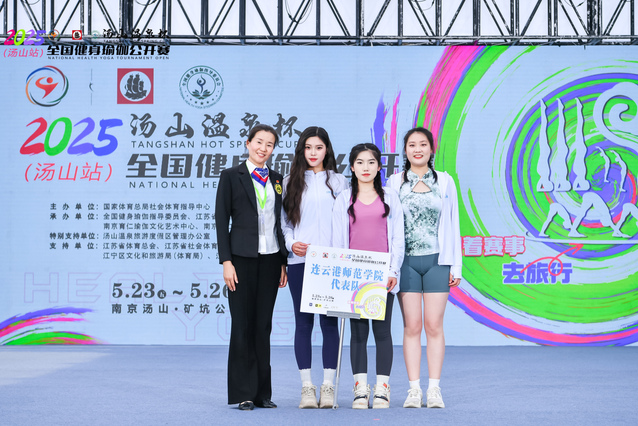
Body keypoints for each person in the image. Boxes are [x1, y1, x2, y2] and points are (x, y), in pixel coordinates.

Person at [386, 127, 462, 409]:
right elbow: (389, 226)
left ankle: (434, 389)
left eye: (422, 144)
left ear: (432, 148)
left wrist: (456, 265)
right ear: (405, 150)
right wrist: (390, 267)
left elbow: (453, 222)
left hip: (437, 262)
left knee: (433, 325)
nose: (417, 149)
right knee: (412, 326)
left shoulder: (445, 181)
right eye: (411, 145)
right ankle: (414, 389)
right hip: (405, 262)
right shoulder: (395, 182)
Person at [215, 124, 289, 411]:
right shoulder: (231, 176)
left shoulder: (277, 179)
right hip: (241, 260)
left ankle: (261, 393)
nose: (263, 148)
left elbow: (279, 222)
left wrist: (282, 261)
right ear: (248, 143)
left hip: (271, 259)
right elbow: (222, 220)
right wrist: (226, 261)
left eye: (269, 144)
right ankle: (243, 393)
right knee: (242, 325)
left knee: (263, 326)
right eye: (259, 142)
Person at [332, 143, 404, 409]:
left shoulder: (390, 197)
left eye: (371, 162)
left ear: (379, 166)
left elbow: (397, 238)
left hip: (383, 275)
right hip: (354, 276)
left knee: (382, 332)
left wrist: (393, 270)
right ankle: (360, 389)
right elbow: (338, 241)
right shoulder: (344, 199)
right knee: (358, 334)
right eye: (360, 162)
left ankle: (382, 389)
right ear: (352, 167)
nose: (366, 167)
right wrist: (343, 274)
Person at [282, 126, 348, 409]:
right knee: (303, 323)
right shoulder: (290, 182)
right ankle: (307, 387)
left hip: (331, 264)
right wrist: (291, 243)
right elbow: (284, 223)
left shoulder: (339, 181)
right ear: (301, 150)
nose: (313, 153)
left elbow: (346, 221)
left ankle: (328, 387)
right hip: (300, 261)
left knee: (329, 324)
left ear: (327, 150)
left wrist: (342, 255)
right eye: (308, 147)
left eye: (318, 148)